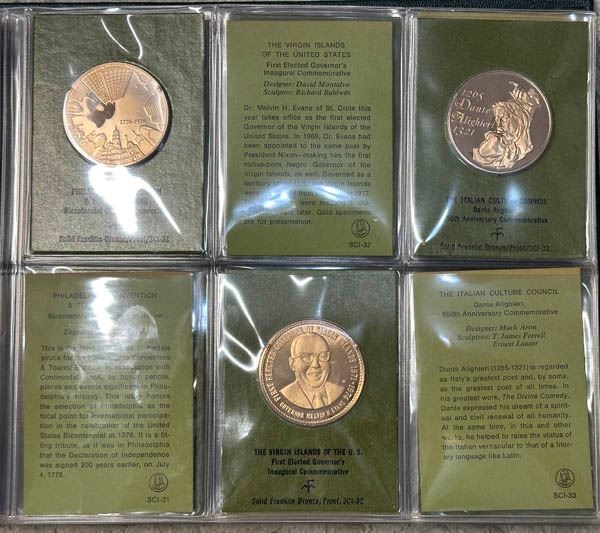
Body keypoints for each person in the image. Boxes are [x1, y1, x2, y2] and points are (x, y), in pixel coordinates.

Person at [472, 83, 540, 170]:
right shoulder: (495, 142)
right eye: (497, 119)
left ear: (518, 119)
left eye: (503, 118)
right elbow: (479, 159)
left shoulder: (525, 144)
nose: (498, 124)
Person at [280, 332, 344, 409]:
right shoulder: (285, 395)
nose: (315, 365)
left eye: (322, 356)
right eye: (306, 357)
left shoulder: (340, 391)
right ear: (292, 363)